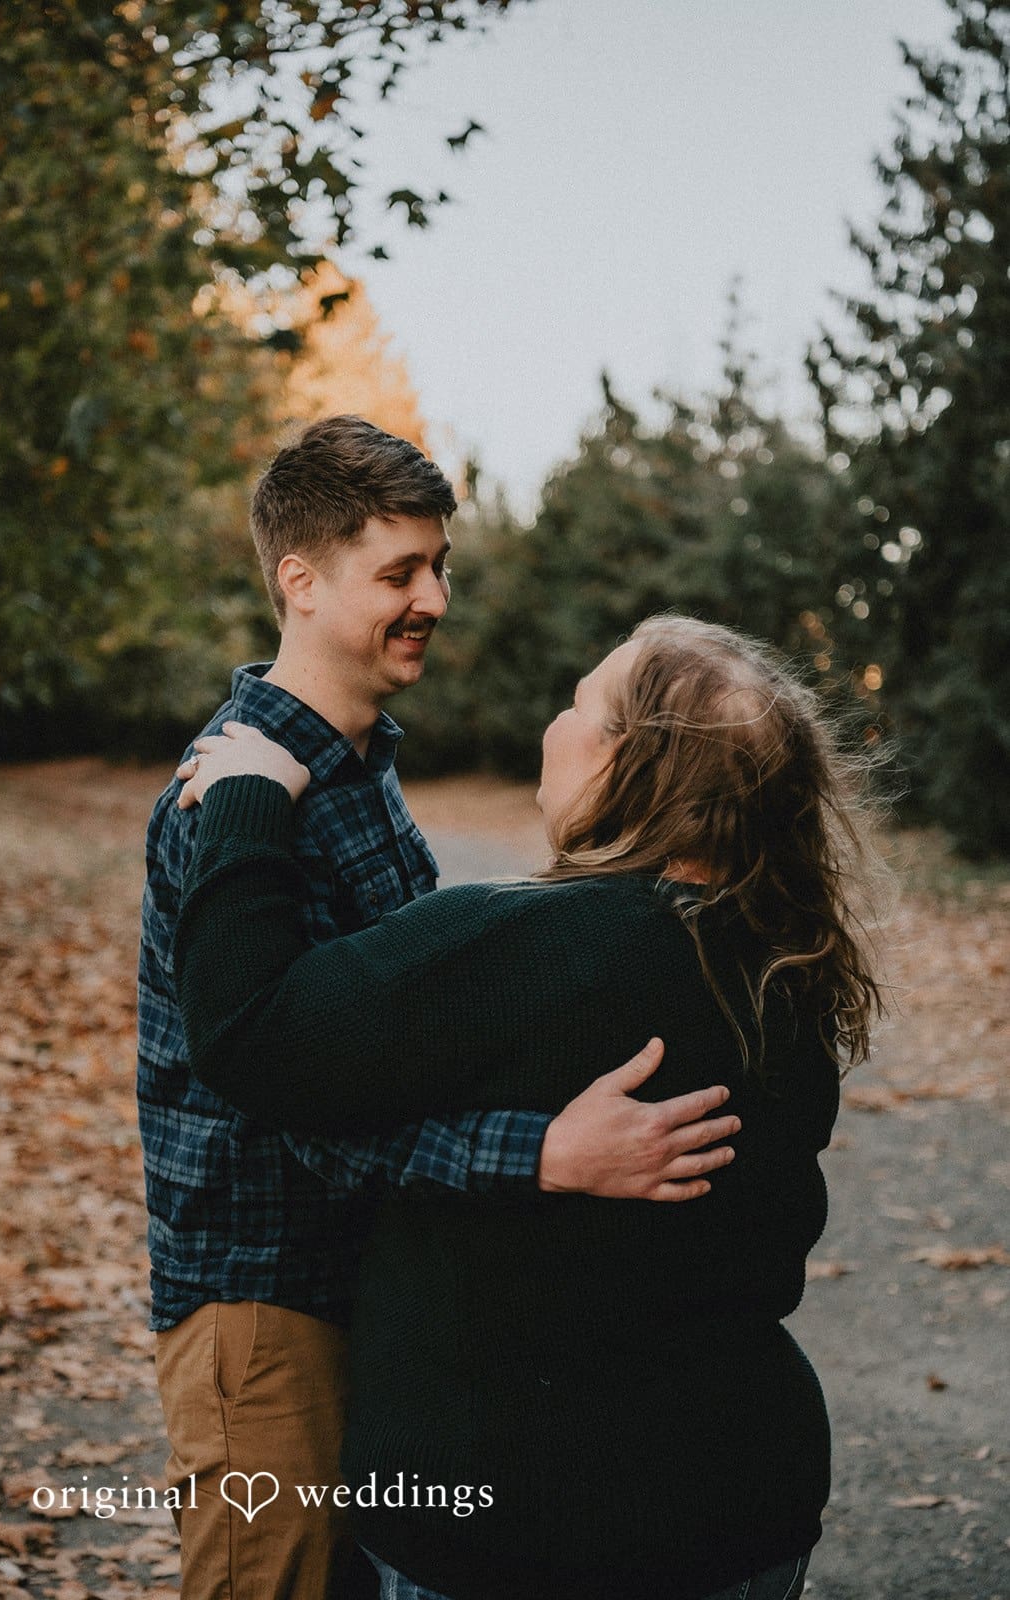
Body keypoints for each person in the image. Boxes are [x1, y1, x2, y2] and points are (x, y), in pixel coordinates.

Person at [137, 419, 739, 1600]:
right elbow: (288, 1091)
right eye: (398, 572)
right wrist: (543, 1154)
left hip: (366, 1279)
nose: (434, 598)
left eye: (439, 565)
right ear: (298, 583)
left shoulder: (354, 770)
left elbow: (403, 1035)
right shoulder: (237, 799)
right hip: (265, 1297)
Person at [170, 612, 887, 1600]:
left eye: (577, 704)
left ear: (632, 765)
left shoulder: (523, 949)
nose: (552, 724)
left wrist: (247, 803)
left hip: (511, 1537)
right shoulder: (786, 966)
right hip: (741, 1512)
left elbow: (248, 1032)